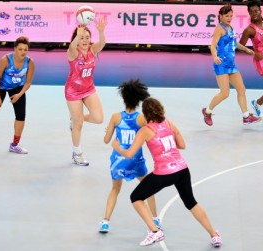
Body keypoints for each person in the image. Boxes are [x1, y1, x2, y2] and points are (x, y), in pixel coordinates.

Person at [112, 97, 222, 247]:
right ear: (160, 109)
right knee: (191, 202)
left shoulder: (145, 131)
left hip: (163, 174)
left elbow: (129, 153)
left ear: (145, 114)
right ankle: (214, 235)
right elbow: (182, 145)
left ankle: (155, 232)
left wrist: (117, 147)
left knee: (136, 197)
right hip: (182, 170)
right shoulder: (169, 123)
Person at [99, 79, 161, 234]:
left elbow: (106, 140)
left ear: (123, 98)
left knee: (114, 190)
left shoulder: (115, 117)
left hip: (118, 161)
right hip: (136, 161)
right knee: (149, 188)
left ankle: (105, 222)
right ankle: (155, 219)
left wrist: (108, 130)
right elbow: (153, 133)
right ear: (139, 100)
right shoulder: (141, 118)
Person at [202, 4, 260, 126]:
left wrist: (247, 50)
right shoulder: (219, 28)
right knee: (225, 94)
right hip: (221, 64)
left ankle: (246, 116)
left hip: (231, 65)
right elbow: (213, 45)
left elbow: (235, 43)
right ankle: (207, 111)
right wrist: (215, 57)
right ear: (220, 16)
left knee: (242, 90)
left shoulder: (231, 27)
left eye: (231, 16)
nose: (229, 18)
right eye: (226, 16)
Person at [65, 17, 107, 166]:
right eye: (81, 38)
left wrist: (101, 32)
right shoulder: (73, 53)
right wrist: (78, 34)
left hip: (89, 89)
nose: (84, 40)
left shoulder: (92, 50)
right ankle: (77, 154)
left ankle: (76, 118)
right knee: (78, 124)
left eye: (87, 37)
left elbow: (102, 44)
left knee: (98, 118)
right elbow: (71, 46)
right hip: (73, 92)